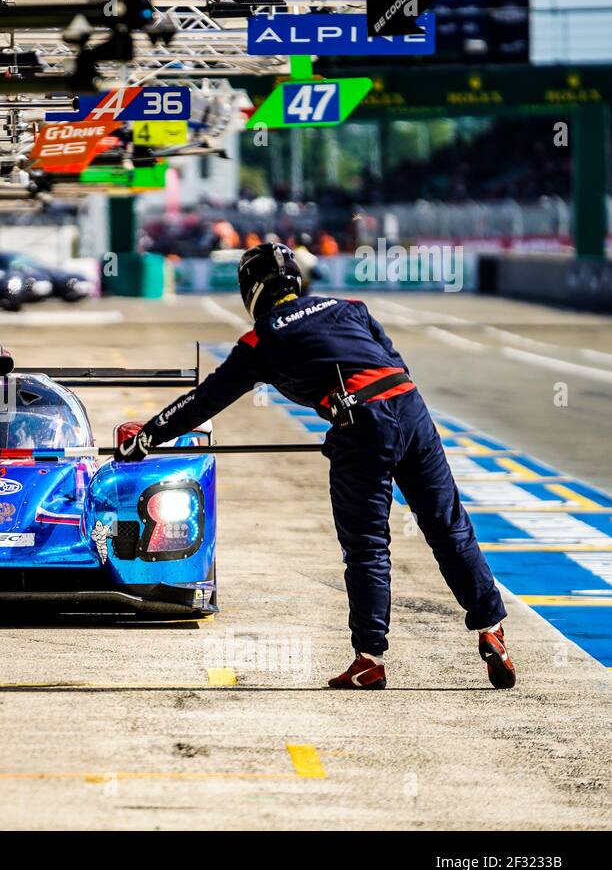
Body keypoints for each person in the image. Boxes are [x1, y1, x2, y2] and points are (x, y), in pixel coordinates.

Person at [117, 242, 515, 691]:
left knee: (367, 548)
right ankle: (492, 629)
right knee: (448, 527)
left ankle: (369, 660)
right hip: (411, 409)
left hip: (361, 426)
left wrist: (148, 436)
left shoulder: (260, 339)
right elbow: (393, 362)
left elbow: (206, 400)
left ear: (253, 290)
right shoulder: (351, 306)